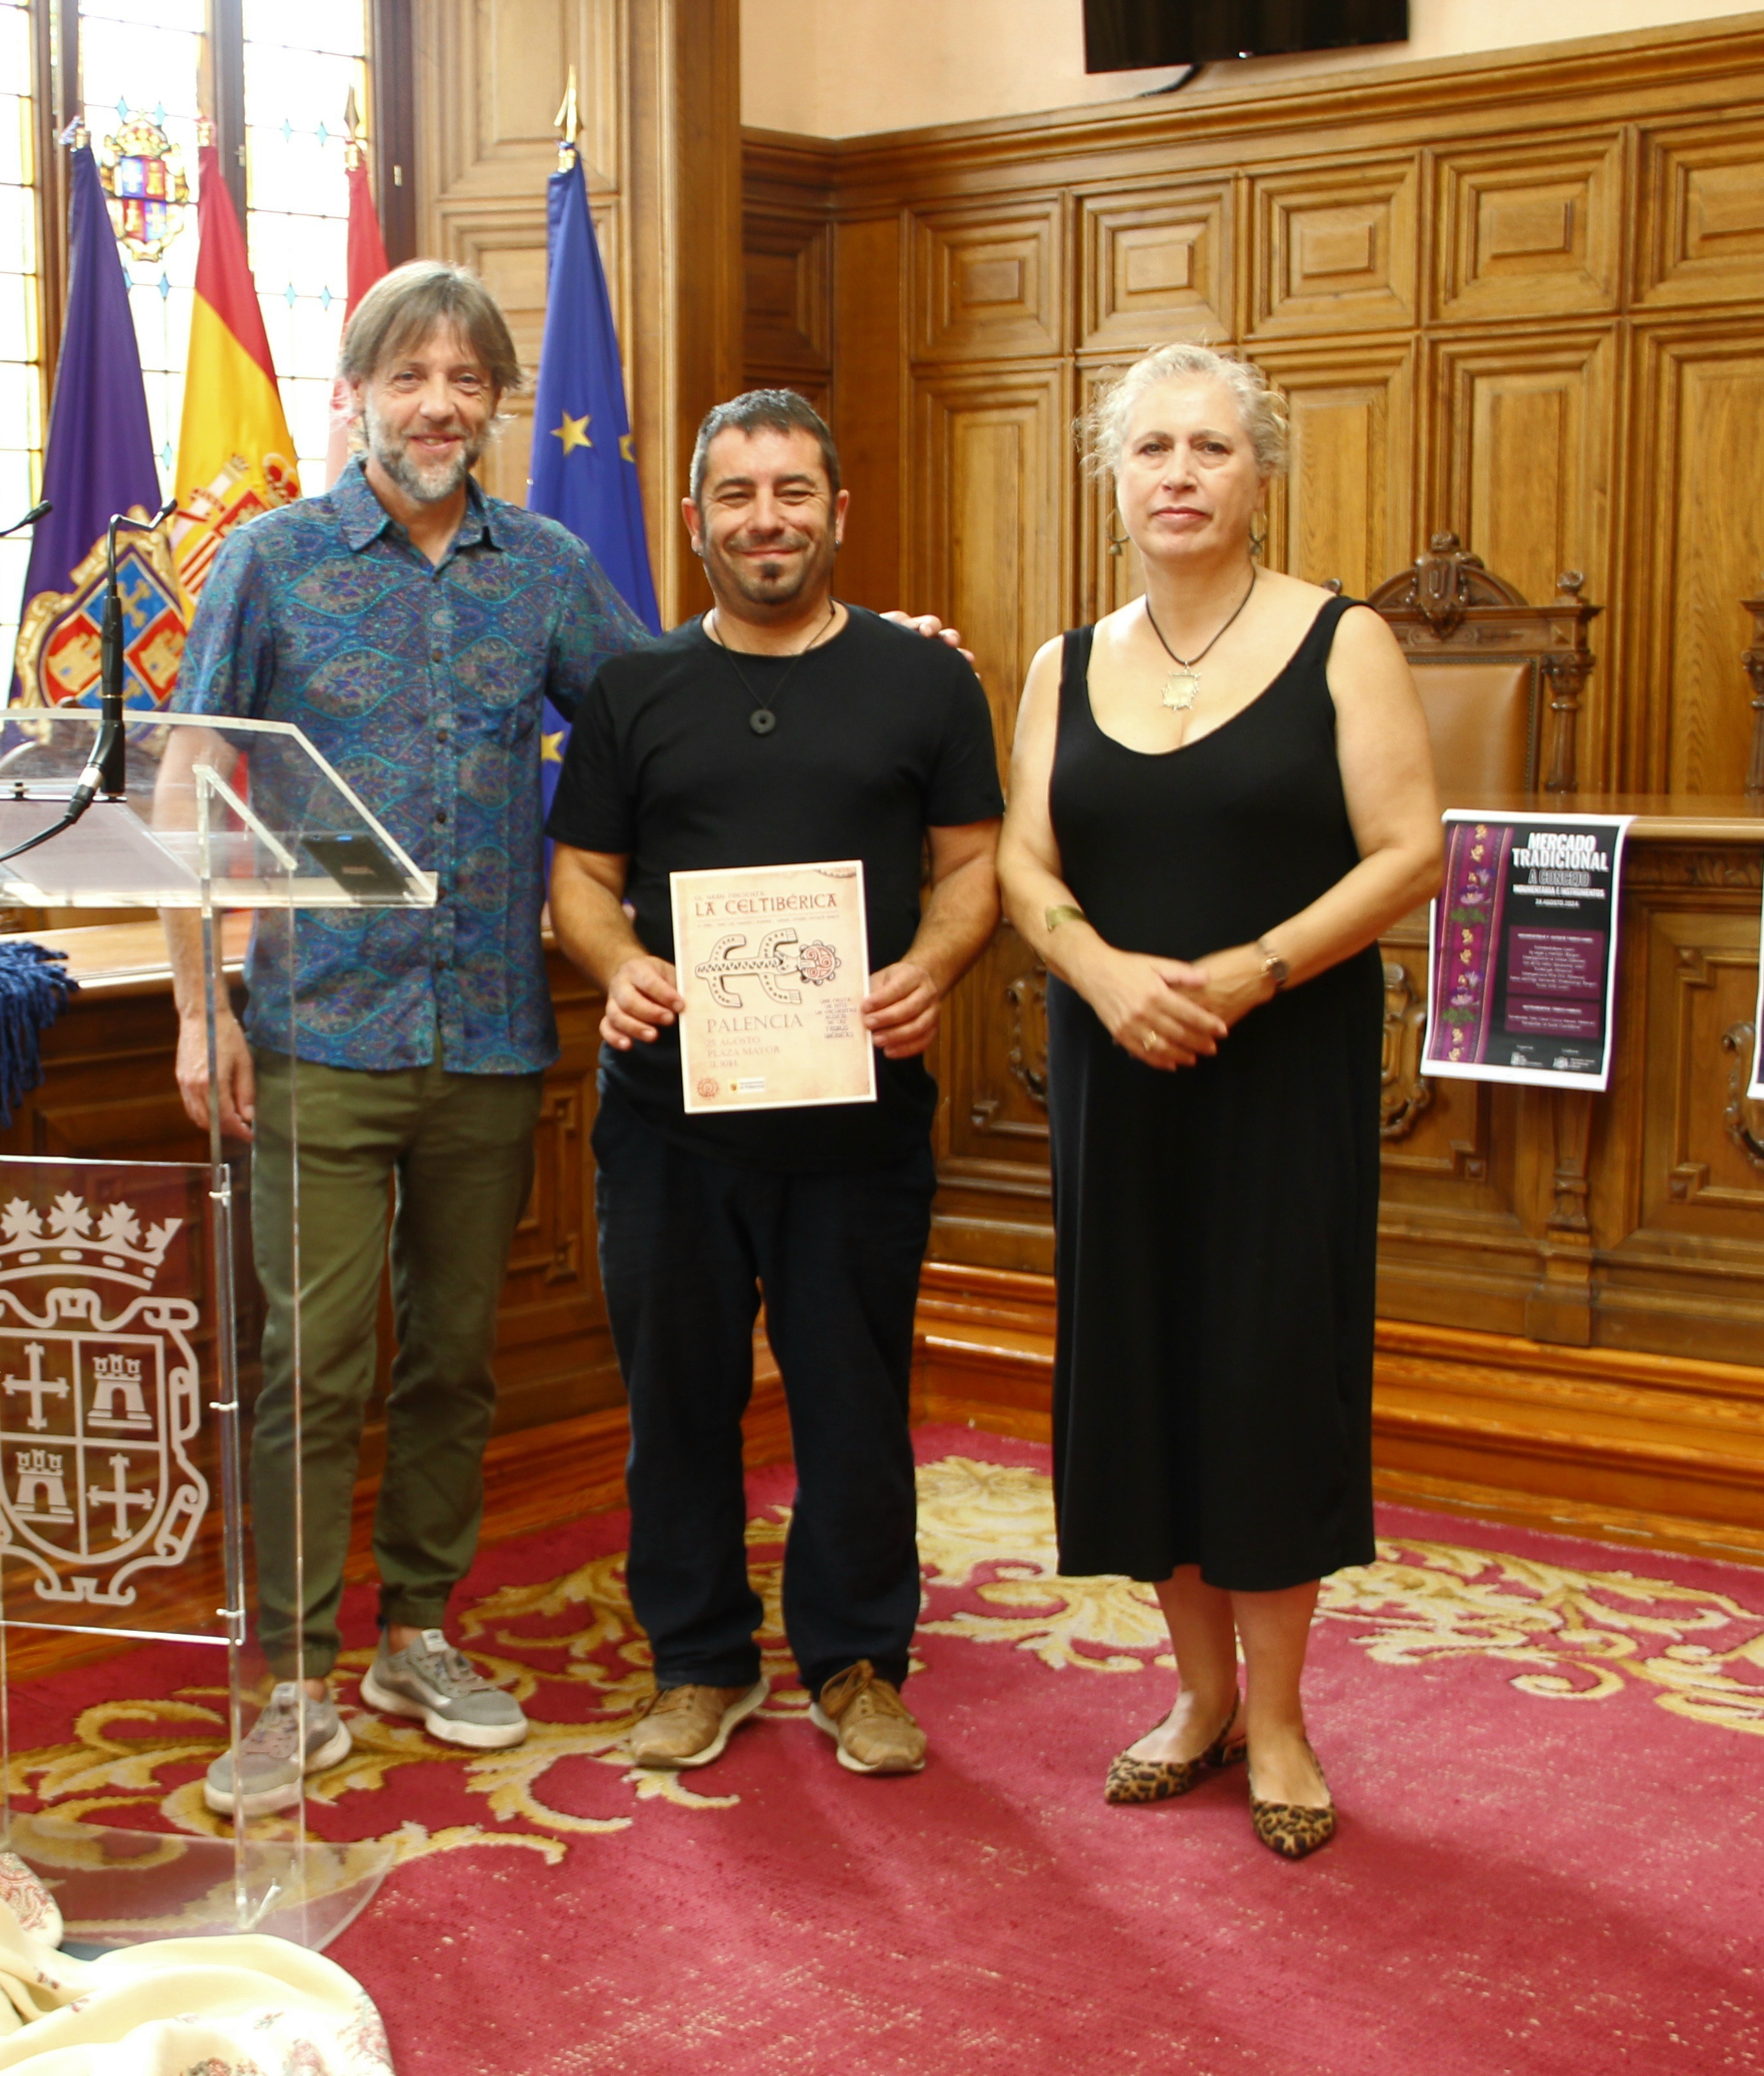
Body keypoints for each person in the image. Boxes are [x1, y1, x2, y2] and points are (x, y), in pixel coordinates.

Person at [161, 262, 656, 1815]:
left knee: (452, 1359)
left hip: (495, 1039)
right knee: (308, 1363)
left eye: (467, 378)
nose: (438, 403)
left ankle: (417, 1636)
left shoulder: (551, 569)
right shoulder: (272, 563)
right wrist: (199, 1007)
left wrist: (849, 658)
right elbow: (190, 788)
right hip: (314, 1029)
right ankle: (293, 1676)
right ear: (354, 394)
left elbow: (663, 721)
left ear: (500, 405)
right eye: (408, 375)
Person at [995, 341, 1440, 1860]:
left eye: (1210, 450)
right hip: (1118, 1071)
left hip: (1280, 1070)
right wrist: (1106, 977)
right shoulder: (1065, 661)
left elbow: (1408, 851)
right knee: (1141, 1380)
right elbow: (1021, 865)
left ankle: (1285, 1718)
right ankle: (1195, 1700)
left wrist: (1250, 973)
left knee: (1263, 1377)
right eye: (1153, 451)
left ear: (1263, 474)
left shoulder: (1342, 639)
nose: (1179, 476)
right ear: (1114, 479)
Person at [546, 389, 1002, 1779]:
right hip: (671, 1121)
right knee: (677, 1399)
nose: (766, 519)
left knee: (853, 1397)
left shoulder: (926, 682)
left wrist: (934, 965)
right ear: (695, 521)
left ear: (837, 512)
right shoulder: (634, 689)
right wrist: (617, 966)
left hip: (858, 1116)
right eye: (737, 495)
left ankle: (858, 1664)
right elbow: (582, 881)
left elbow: (975, 865)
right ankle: (698, 1663)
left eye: (793, 492)